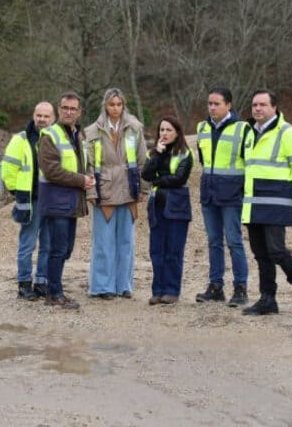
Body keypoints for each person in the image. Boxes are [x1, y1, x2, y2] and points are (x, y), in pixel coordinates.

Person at [241, 90, 292, 316]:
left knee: (276, 251)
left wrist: (290, 195)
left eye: (263, 104)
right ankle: (267, 299)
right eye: (254, 105)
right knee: (261, 254)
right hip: (253, 202)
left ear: (274, 107)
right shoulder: (249, 132)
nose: (257, 109)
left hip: (275, 202)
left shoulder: (289, 133)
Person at [84, 88, 148, 300]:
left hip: (129, 190)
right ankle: (102, 287)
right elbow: (89, 165)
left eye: (119, 104)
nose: (115, 108)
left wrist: (142, 189)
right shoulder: (92, 132)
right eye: (111, 104)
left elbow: (142, 161)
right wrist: (91, 191)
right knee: (103, 243)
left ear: (123, 105)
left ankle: (124, 285)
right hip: (104, 192)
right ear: (105, 106)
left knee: (126, 243)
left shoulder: (135, 128)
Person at [38, 91, 95, 310]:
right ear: (59, 109)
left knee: (66, 248)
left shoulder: (77, 136)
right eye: (65, 108)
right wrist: (81, 180)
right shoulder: (50, 135)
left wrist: (87, 179)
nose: (69, 112)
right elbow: (51, 171)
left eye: (73, 109)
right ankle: (54, 294)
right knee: (58, 248)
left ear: (79, 112)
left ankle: (55, 289)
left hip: (70, 201)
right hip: (56, 201)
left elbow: (80, 165)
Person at [194, 86, 250, 307]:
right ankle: (216, 287)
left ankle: (240, 288)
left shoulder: (242, 129)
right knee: (213, 242)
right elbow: (204, 161)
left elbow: (248, 163)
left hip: (232, 195)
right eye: (209, 103)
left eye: (217, 104)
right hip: (209, 193)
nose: (212, 107)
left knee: (234, 242)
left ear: (229, 105)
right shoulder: (202, 128)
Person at [1, 102, 55, 300]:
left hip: (51, 201)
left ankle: (41, 282)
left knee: (48, 245)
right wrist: (18, 192)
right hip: (31, 201)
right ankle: (24, 285)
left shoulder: (56, 139)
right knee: (27, 245)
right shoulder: (21, 140)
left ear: (53, 118)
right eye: (39, 115)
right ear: (33, 115)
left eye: (46, 116)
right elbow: (8, 169)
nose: (42, 119)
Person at [141, 116, 193, 305]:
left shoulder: (185, 153)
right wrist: (158, 156)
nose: (164, 134)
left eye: (168, 130)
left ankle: (172, 290)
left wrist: (158, 180)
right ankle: (158, 290)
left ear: (177, 132)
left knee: (174, 250)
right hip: (157, 206)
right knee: (157, 250)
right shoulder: (153, 153)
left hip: (177, 206)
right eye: (161, 130)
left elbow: (179, 178)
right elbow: (146, 174)